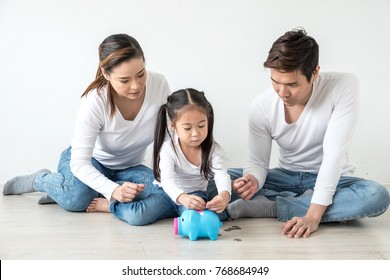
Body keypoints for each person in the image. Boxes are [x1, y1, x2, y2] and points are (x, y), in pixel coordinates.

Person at [226, 28, 390, 238]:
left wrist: (313, 216)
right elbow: (258, 161)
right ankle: (297, 201)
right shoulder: (261, 104)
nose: (282, 93)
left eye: (292, 84)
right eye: (276, 82)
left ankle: (273, 207)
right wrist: (252, 180)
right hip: (284, 177)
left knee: (376, 196)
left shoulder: (342, 86)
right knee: (218, 177)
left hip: (333, 178)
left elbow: (333, 155)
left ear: (314, 73)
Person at [3, 33, 177, 226]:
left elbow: (169, 136)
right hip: (91, 162)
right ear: (106, 74)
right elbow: (79, 163)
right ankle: (42, 180)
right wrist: (113, 191)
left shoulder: (160, 85)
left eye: (141, 74)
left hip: (129, 167)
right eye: (124, 80)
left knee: (165, 192)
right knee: (76, 199)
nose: (136, 86)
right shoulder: (95, 101)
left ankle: (72, 190)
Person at [153, 88, 231, 218]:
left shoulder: (212, 148)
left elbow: (221, 174)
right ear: (173, 126)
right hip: (166, 193)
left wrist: (224, 196)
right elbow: (167, 180)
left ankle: (179, 213)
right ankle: (112, 203)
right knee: (138, 215)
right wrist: (182, 197)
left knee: (199, 216)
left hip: (196, 194)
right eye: (187, 128)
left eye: (201, 126)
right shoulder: (168, 148)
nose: (196, 134)